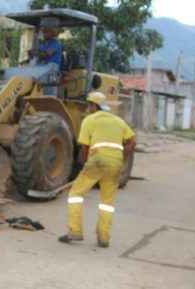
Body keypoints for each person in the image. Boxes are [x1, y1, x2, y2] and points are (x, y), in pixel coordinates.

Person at [58, 92, 136, 248]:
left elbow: (85, 147)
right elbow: (132, 142)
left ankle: (75, 231)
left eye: (89, 105)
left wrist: (85, 165)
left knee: (75, 194)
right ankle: (104, 238)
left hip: (97, 160)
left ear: (94, 106)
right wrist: (120, 156)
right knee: (107, 202)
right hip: (115, 163)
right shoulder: (118, 121)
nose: (88, 108)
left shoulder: (89, 120)